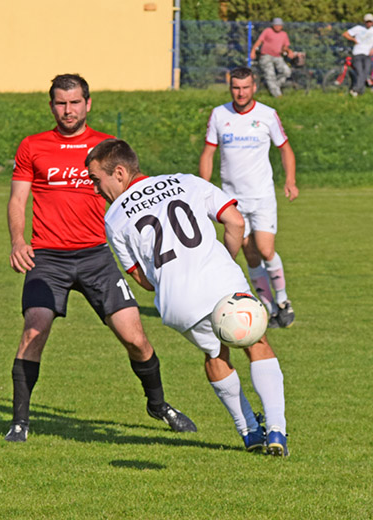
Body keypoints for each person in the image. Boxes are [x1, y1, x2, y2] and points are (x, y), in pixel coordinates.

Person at [5, 73, 195, 442]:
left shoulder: (107, 148)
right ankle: (19, 421)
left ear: (88, 104)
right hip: (48, 259)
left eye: (75, 102)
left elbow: (139, 190)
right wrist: (17, 240)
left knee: (135, 337)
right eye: (61, 103)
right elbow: (17, 199)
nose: (68, 110)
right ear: (51, 106)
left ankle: (158, 405)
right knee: (34, 328)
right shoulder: (33, 146)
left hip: (97, 255)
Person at [86, 138, 290, 456]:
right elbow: (235, 220)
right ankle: (276, 430)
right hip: (221, 280)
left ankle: (249, 430)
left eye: (97, 180)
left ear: (120, 173)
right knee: (256, 344)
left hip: (177, 302)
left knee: (215, 356)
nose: (96, 189)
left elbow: (143, 280)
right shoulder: (187, 182)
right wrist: (226, 257)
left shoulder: (114, 218)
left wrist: (171, 276)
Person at [198, 67, 298, 329]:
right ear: (230, 87)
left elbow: (285, 149)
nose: (240, 93)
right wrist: (204, 188)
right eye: (235, 87)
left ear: (254, 87)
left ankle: (284, 301)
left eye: (245, 87)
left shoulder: (267, 115)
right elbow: (208, 153)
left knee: (265, 249)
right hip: (233, 200)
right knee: (250, 255)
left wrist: (290, 180)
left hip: (262, 196)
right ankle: (268, 308)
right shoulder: (220, 115)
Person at [250, 17, 295, 98]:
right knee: (270, 75)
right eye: (276, 25)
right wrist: (253, 50)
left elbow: (285, 47)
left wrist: (289, 51)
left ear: (282, 26)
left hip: (278, 56)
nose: (277, 26)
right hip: (266, 56)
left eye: (279, 25)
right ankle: (278, 95)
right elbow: (259, 41)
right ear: (273, 25)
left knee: (286, 72)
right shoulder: (267, 31)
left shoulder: (284, 34)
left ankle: (274, 86)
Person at [342, 13, 373, 96]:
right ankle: (357, 91)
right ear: (364, 22)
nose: (368, 23)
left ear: (372, 22)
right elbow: (345, 34)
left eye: (370, 21)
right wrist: (353, 39)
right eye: (367, 21)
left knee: (365, 73)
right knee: (360, 72)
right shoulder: (358, 28)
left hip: (367, 55)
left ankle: (357, 91)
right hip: (357, 54)